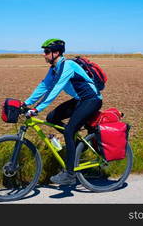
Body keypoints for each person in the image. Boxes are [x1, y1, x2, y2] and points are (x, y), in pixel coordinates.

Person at [23, 38, 103, 185]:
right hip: (80, 100)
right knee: (52, 117)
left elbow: (55, 89)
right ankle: (78, 145)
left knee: (68, 131)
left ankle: (70, 174)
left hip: (92, 100)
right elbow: (44, 86)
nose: (44, 54)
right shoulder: (54, 68)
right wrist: (25, 103)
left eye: (46, 52)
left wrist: (36, 109)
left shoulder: (67, 66)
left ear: (57, 53)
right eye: (44, 51)